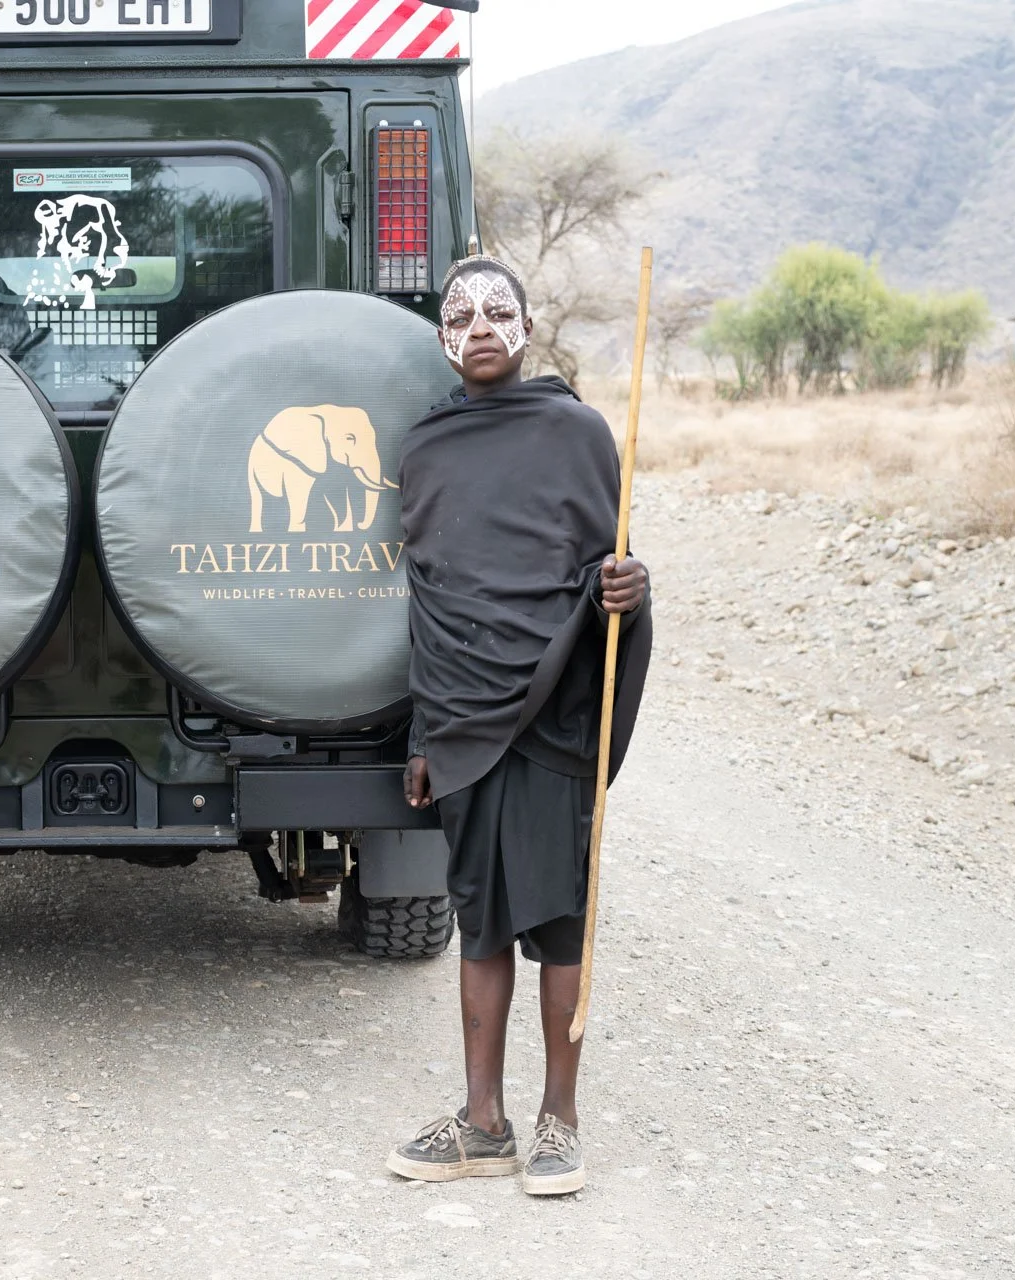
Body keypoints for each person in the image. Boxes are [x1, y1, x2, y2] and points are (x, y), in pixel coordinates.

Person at [385, 256, 652, 1197]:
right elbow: (429, 603)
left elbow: (606, 570)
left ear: (528, 327)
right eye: (461, 314)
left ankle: (560, 1122)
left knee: (560, 924)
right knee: (481, 923)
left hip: (555, 716)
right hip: (459, 723)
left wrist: (632, 590)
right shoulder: (425, 448)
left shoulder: (577, 433)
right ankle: (484, 1123)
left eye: (500, 311)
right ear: (443, 339)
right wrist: (423, 735)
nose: (482, 326)